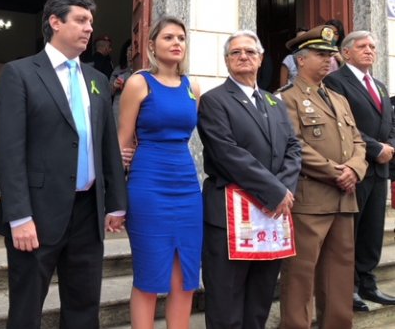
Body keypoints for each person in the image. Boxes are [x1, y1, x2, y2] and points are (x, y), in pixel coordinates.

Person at [0, 0, 127, 329]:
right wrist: (18, 215)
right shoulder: (20, 74)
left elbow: (107, 145)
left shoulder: (96, 80)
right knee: (26, 308)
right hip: (36, 213)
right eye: (81, 20)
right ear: (55, 22)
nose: (88, 29)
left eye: (90, 23)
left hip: (87, 212)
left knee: (84, 306)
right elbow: (9, 150)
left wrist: (115, 202)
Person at [197, 29, 301, 329]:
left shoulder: (273, 102)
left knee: (260, 297)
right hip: (230, 213)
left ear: (261, 59)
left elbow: (294, 148)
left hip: (271, 215)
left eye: (250, 52)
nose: (243, 57)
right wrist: (275, 190)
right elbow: (227, 152)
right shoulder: (215, 101)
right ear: (227, 60)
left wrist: (284, 189)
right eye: (236, 53)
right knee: (226, 298)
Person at [278, 25, 367, 328]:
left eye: (330, 54)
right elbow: (294, 145)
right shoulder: (286, 98)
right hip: (311, 199)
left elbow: (358, 141)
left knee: (340, 276)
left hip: (344, 198)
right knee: (301, 276)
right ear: (300, 60)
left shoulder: (339, 99)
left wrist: (354, 169)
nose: (328, 59)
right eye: (320, 54)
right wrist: (335, 172)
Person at [117, 16, 202, 328]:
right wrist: (115, 200)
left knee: (186, 274)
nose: (177, 43)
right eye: (168, 38)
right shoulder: (139, 82)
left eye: (181, 37)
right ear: (152, 45)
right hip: (149, 184)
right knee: (150, 274)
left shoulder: (192, 86)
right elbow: (122, 142)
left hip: (187, 185)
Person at [323, 30, 395, 311]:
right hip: (354, 167)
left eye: (373, 46)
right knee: (349, 231)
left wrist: (389, 145)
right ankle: (348, 286)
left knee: (373, 230)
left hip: (379, 170)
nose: (369, 50)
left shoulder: (377, 84)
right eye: (362, 46)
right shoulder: (335, 82)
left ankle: (368, 282)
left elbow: (389, 120)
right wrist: (375, 149)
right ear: (346, 53)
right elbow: (343, 125)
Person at [109, 38, 132, 126]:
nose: (131, 53)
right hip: (119, 108)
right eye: (129, 50)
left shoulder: (142, 68)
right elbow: (108, 91)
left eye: (133, 50)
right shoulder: (118, 70)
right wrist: (114, 85)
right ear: (125, 53)